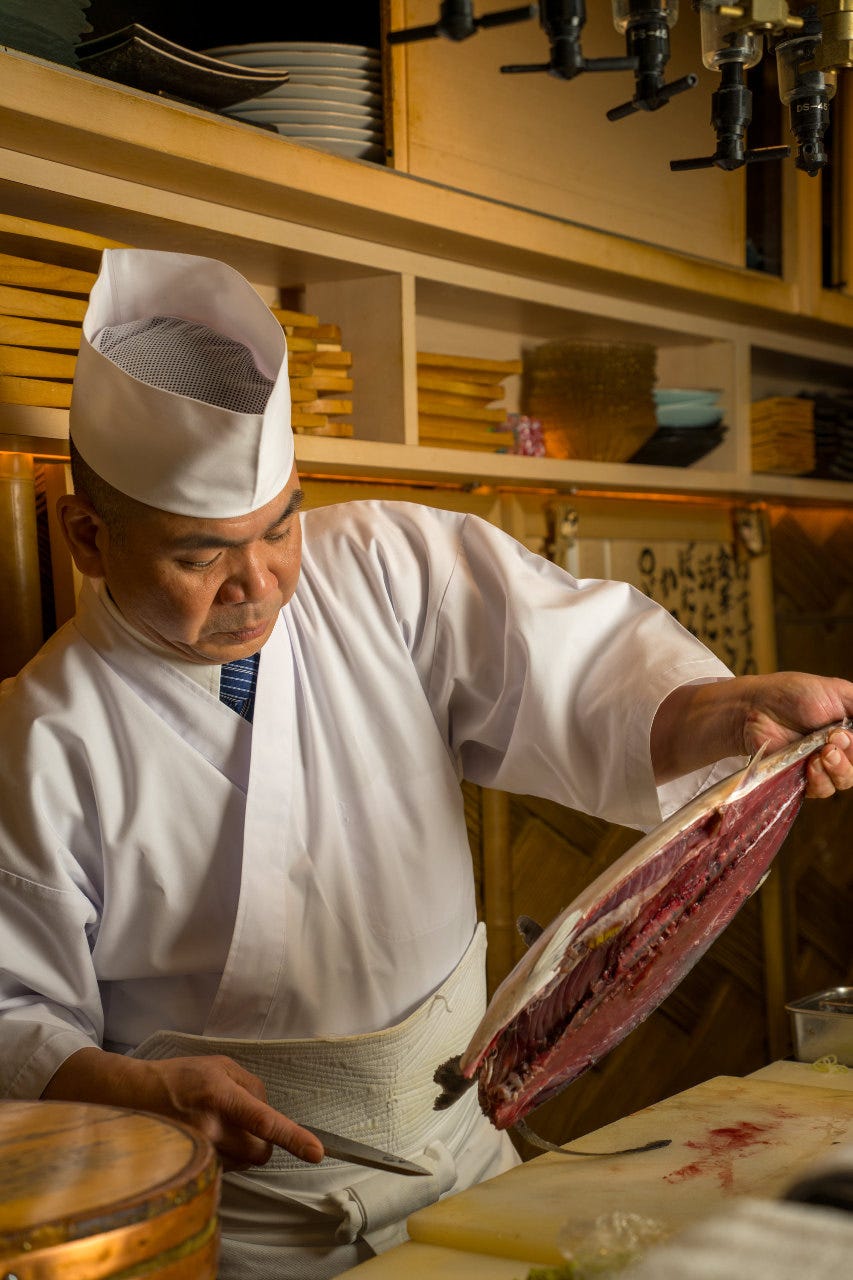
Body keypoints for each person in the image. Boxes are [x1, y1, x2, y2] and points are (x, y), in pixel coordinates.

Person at [0, 248, 850, 1279]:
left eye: (280, 528)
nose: (258, 584)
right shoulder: (38, 736)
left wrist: (725, 709)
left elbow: (582, 683)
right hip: (252, 1223)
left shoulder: (388, 566)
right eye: (199, 554)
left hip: (473, 1166)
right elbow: (14, 1016)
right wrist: (127, 1088)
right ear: (88, 535)